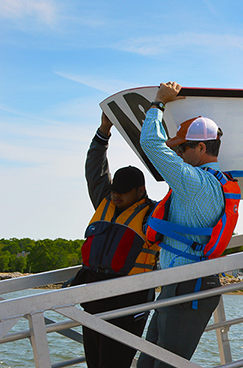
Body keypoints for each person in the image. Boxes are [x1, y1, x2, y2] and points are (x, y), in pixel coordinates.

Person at [136, 82, 240, 368]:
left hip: (188, 288)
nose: (179, 154)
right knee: (148, 365)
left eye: (182, 148)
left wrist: (159, 103)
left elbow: (151, 145)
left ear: (201, 148)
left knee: (165, 366)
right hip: (178, 286)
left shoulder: (195, 182)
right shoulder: (205, 182)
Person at [70, 113, 158, 368]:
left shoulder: (152, 215)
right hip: (94, 300)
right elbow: (94, 170)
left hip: (127, 306)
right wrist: (104, 130)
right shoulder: (105, 200)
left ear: (140, 191)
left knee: (114, 365)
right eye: (114, 190)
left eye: (122, 192)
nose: (116, 195)